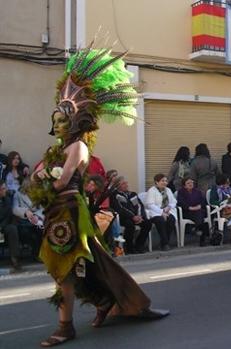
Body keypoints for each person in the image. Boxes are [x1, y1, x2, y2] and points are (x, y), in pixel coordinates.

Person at [30, 45, 168, 347]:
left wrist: (45, 177)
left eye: (62, 119)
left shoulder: (77, 147)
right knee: (88, 264)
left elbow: (61, 180)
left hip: (69, 210)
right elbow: (35, 175)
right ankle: (105, 300)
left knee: (67, 268)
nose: (57, 124)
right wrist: (40, 176)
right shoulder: (56, 150)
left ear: (75, 121)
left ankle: (65, 327)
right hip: (55, 212)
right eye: (55, 119)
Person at [111, 177, 151, 254]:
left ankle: (139, 245)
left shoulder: (132, 194)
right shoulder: (115, 195)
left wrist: (139, 216)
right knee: (130, 225)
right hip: (124, 218)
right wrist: (132, 216)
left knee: (147, 223)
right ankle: (129, 248)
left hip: (136, 217)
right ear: (117, 185)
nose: (126, 185)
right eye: (123, 184)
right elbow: (120, 208)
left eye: (126, 183)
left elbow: (139, 205)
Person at [12, 177, 44, 262]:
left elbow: (42, 208)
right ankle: (35, 254)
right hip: (24, 221)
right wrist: (26, 212)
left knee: (41, 231)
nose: (33, 189)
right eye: (31, 187)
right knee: (29, 234)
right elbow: (15, 209)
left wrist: (37, 215)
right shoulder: (18, 194)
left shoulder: (37, 195)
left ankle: (41, 254)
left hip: (36, 220)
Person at [144, 174, 177, 251]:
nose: (165, 182)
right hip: (155, 212)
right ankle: (165, 244)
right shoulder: (152, 191)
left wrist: (169, 207)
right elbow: (150, 205)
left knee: (171, 220)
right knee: (161, 221)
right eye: (162, 181)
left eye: (166, 181)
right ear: (156, 182)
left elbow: (174, 201)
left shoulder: (168, 190)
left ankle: (163, 242)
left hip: (167, 211)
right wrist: (162, 212)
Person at [176, 177, 209, 244]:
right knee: (200, 216)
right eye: (188, 183)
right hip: (187, 211)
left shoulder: (197, 191)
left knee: (200, 213)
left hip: (198, 210)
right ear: (184, 185)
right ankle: (201, 235)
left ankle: (197, 229)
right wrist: (189, 208)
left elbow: (203, 201)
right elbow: (180, 202)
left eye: (191, 182)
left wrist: (199, 206)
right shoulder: (181, 192)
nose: (190, 184)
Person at [0, 179, 20, 270]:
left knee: (12, 229)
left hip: (3, 225)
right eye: (3, 189)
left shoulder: (7, 199)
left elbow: (8, 216)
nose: (6, 190)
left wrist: (1, 227)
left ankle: (14, 259)